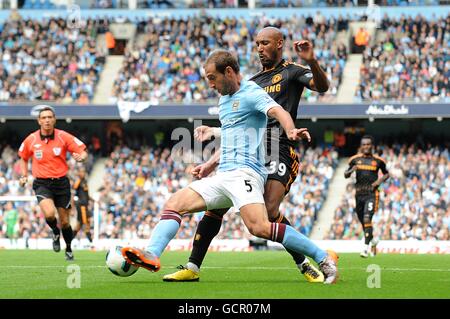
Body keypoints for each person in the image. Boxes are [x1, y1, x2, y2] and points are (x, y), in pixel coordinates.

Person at [121, 49, 339, 284]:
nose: (211, 85)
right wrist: (208, 164)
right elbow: (233, 135)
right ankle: (152, 253)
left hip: (245, 172)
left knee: (260, 227)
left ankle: (321, 257)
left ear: (228, 71)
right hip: (223, 174)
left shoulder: (251, 92)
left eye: (212, 78)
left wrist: (290, 130)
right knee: (174, 204)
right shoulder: (224, 101)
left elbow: (279, 111)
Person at [18, 105, 88, 261]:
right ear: (39, 121)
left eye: (50, 117)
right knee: (49, 214)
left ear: (54, 120)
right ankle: (55, 233)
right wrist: (24, 175)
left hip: (62, 183)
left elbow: (82, 150)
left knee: (65, 222)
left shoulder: (63, 136)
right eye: (44, 118)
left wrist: (82, 157)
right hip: (42, 183)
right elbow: (23, 157)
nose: (47, 120)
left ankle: (68, 248)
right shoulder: (32, 139)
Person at [344, 135, 389, 258]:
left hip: (372, 194)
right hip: (359, 195)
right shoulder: (354, 159)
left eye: (368, 144)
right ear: (361, 146)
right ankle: (373, 241)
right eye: (364, 144)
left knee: (367, 218)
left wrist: (378, 183)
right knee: (363, 222)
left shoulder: (378, 161)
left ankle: (365, 248)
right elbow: (345, 175)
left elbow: (386, 174)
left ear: (372, 146)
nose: (366, 146)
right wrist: (351, 170)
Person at [72, 167, 93, 246]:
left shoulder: (85, 182)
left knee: (79, 225)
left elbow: (86, 195)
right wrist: (73, 207)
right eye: (81, 172)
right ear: (78, 173)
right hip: (81, 206)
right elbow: (73, 194)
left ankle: (69, 240)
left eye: (84, 172)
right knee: (86, 222)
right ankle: (92, 242)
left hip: (85, 205)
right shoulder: (78, 182)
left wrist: (93, 200)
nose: (83, 173)